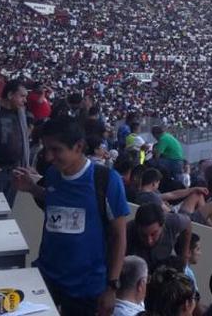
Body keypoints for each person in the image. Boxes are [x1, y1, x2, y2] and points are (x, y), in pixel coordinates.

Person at [13, 115, 129, 316]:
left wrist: (112, 286)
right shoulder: (52, 174)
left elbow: (120, 236)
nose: (48, 157)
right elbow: (55, 202)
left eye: (56, 150)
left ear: (78, 146)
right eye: (46, 149)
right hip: (46, 276)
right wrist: (33, 189)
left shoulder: (106, 181)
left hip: (86, 288)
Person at [126, 202, 192, 272]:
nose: (149, 241)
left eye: (153, 234)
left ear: (162, 226)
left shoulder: (173, 222)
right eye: (143, 235)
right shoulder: (127, 231)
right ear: (137, 228)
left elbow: (187, 223)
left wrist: (184, 255)